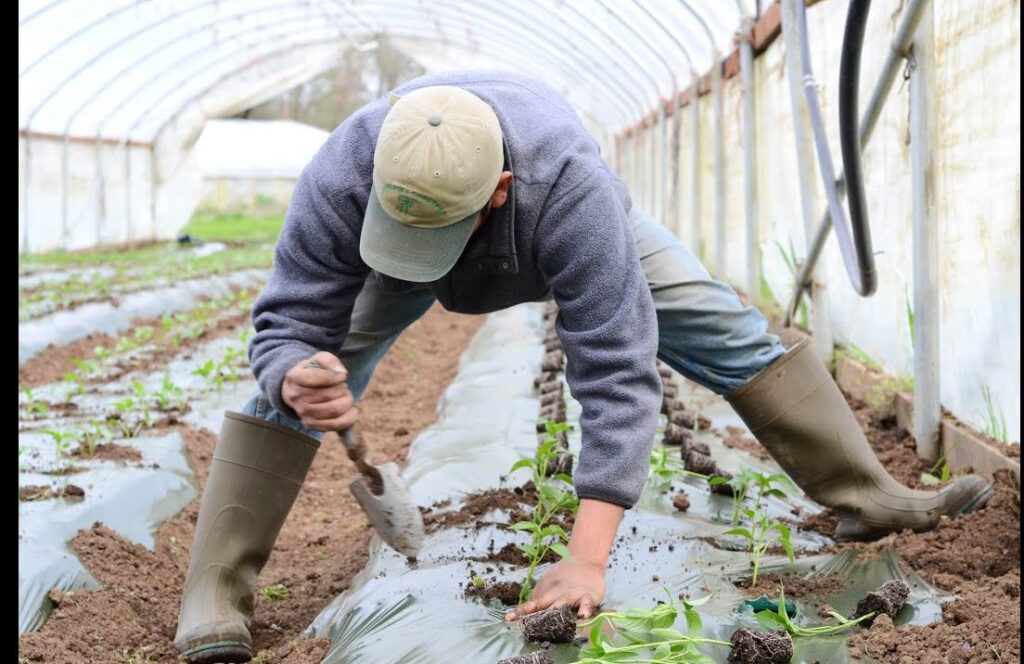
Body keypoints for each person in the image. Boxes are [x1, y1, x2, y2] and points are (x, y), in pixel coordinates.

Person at [173, 71, 991, 664]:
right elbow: (289, 315)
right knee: (293, 384)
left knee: (727, 329)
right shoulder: (343, 173)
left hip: (556, 228)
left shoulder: (569, 186)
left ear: (497, 189)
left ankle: (867, 493)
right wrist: (290, 368)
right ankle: (216, 594)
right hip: (386, 270)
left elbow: (614, 366)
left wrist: (587, 557)